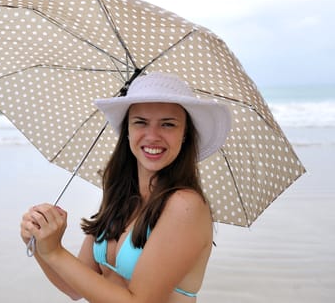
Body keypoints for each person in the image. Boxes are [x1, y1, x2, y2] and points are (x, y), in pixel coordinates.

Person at [20, 71, 231, 302]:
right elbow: (75, 289)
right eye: (140, 122)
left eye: (168, 124)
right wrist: (41, 243)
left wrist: (55, 252)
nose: (152, 136)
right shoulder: (120, 197)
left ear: (184, 134)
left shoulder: (185, 206)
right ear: (127, 130)